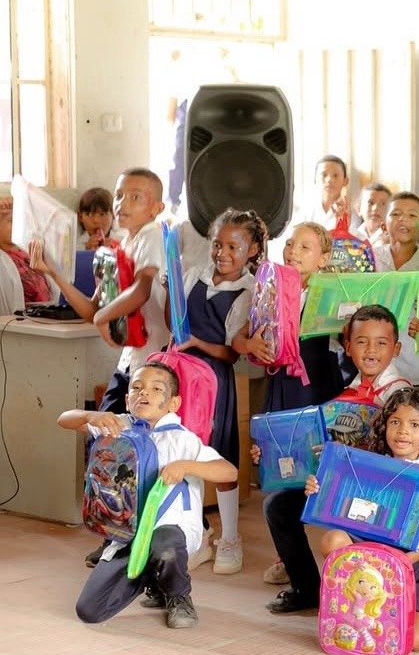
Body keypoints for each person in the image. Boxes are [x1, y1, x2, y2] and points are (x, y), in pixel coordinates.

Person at [35, 168, 170, 567]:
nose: (122, 204)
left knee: (146, 455)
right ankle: (117, 534)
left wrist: (100, 320)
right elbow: (94, 307)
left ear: (157, 207)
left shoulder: (152, 237)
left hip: (154, 365)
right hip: (129, 364)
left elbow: (142, 290)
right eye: (119, 195)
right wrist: (53, 272)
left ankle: (164, 535)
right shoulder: (114, 248)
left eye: (135, 197)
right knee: (107, 446)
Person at [60, 361, 238, 628]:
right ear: (127, 398)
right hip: (127, 533)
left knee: (164, 547)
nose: (144, 393)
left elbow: (228, 472)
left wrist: (186, 466)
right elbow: (64, 419)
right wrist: (89, 416)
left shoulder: (183, 440)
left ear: (174, 403)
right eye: (137, 387)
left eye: (156, 389)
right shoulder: (117, 426)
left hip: (170, 530)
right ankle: (154, 580)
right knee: (90, 610)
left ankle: (178, 596)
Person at [259, 304, 409, 614]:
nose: (371, 350)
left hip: (378, 495)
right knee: (278, 505)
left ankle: (365, 593)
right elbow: (319, 447)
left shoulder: (401, 396)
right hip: (343, 486)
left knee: (340, 531)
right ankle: (306, 588)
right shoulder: (346, 394)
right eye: (362, 342)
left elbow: (403, 460)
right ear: (348, 346)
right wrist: (273, 453)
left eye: (381, 343)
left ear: (396, 349)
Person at [304, 387, 419, 652]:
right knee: (333, 540)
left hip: (418, 561)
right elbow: (344, 508)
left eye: (414, 425)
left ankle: (392, 608)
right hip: (373, 548)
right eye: (395, 422)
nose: (403, 432)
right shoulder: (372, 464)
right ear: (385, 426)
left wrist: (403, 561)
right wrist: (319, 489)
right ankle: (358, 602)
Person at [236, 221, 343, 588]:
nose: (294, 251)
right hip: (281, 388)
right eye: (291, 244)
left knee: (323, 470)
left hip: (319, 389)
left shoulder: (333, 292)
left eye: (305, 247)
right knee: (284, 469)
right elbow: (241, 337)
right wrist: (250, 345)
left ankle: (342, 555)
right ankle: (288, 556)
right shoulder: (270, 288)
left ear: (324, 259)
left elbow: (351, 335)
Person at [167, 208, 264, 576]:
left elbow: (231, 352)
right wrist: (170, 290)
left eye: (233, 247)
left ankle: (231, 539)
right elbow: (174, 321)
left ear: (252, 249)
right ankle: (201, 537)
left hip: (214, 381)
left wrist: (195, 342)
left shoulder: (250, 291)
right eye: (217, 244)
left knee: (221, 458)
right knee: (184, 453)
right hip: (181, 376)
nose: (222, 253)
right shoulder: (195, 273)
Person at [373, 192, 419, 387]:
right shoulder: (370, 258)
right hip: (376, 368)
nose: (403, 219)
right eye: (396, 214)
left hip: (418, 369)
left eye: (412, 215)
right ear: (384, 224)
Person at [0, 191, 51, 305]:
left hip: (47, 309)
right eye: (11, 221)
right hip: (22, 313)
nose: (17, 225)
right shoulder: (3, 261)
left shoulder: (25, 252)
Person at [294, 155, 349, 231]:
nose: (329, 180)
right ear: (315, 179)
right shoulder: (305, 208)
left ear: (345, 181)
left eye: (335, 175)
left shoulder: (349, 212)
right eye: (324, 175)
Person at [75, 186, 122, 251]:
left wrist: (116, 250)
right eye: (90, 215)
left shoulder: (122, 242)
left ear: (114, 215)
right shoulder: (76, 246)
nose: (96, 220)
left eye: (102, 214)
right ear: (80, 217)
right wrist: (87, 250)